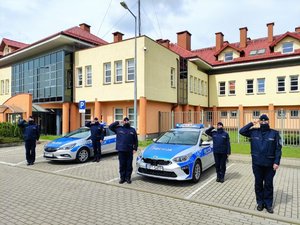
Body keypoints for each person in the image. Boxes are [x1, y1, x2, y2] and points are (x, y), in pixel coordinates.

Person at [239, 114, 282, 214]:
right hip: (257, 164)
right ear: (259, 122)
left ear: (268, 122)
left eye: (265, 121)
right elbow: (241, 131)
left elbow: (278, 149)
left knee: (268, 184)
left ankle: (268, 204)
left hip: (270, 165)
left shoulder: (274, 133)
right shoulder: (254, 132)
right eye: (261, 121)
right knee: (258, 184)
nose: (263, 122)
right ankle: (260, 203)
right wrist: (251, 123)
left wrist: (276, 162)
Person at [109, 117, 138, 184]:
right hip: (121, 150)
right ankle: (122, 178)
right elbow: (110, 127)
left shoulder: (132, 130)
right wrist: (118, 122)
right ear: (123, 122)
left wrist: (135, 148)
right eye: (125, 121)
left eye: (127, 121)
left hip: (129, 150)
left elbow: (135, 140)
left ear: (129, 122)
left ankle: (128, 178)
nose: (126, 122)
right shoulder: (119, 128)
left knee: (129, 165)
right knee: (122, 165)